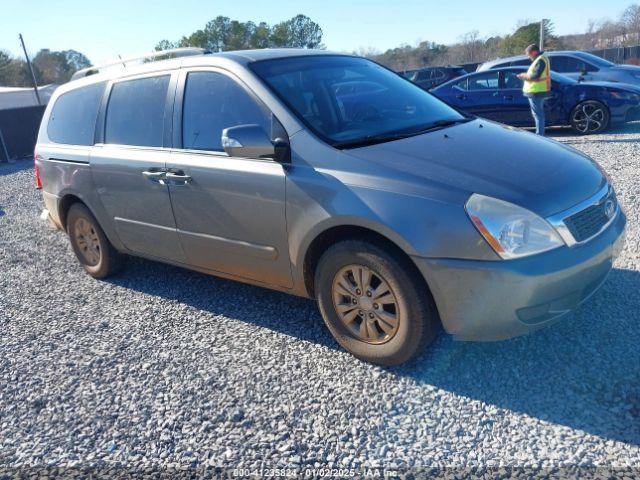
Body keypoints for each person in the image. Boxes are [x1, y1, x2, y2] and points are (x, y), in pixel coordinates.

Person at [517, 44, 551, 136]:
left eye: (529, 54)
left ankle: (540, 135)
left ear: (534, 52)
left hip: (536, 91)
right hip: (537, 90)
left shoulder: (540, 60)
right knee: (538, 114)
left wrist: (524, 76)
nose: (528, 57)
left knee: (538, 115)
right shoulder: (540, 59)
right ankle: (540, 134)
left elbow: (535, 76)